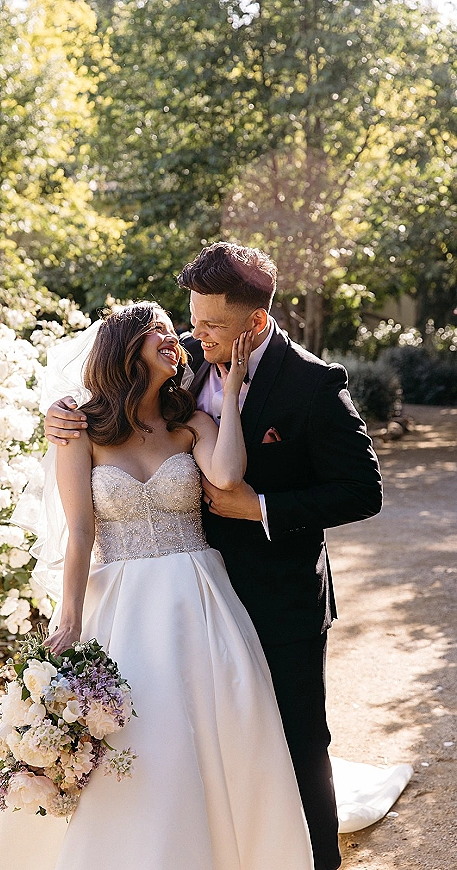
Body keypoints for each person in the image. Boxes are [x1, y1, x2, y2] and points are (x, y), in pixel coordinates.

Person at [45, 243, 384, 870]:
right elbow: (122, 405)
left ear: (254, 323)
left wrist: (260, 508)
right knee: (173, 741)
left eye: (209, 327)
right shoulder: (186, 364)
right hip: (179, 597)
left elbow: (364, 491)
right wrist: (64, 414)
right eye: (190, 322)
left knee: (296, 741)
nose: (193, 337)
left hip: (277, 594)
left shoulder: (313, 384)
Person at [0, 300, 314, 870]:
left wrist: (228, 394)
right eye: (159, 331)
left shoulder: (190, 425)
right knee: (136, 741)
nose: (175, 339)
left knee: (214, 732)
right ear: (125, 347)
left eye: (172, 333)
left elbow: (226, 476)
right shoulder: (82, 429)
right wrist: (70, 615)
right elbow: (80, 532)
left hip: (199, 599)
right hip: (122, 605)